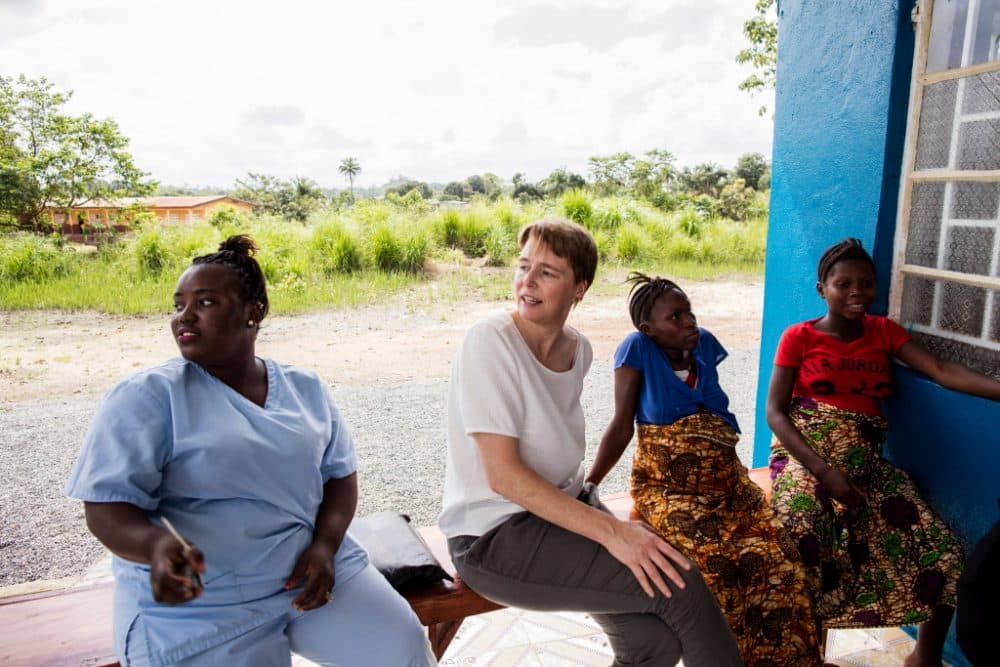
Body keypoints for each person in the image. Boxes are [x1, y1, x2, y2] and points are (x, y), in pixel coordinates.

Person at [65, 235, 434, 667]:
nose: (184, 316)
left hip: (309, 573)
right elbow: (106, 508)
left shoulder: (304, 388)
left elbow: (339, 476)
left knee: (402, 649)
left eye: (205, 303)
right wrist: (157, 546)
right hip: (205, 604)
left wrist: (325, 546)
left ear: (252, 313)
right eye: (178, 304)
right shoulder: (147, 397)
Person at [438, 219, 742, 667]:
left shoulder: (578, 351)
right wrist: (614, 532)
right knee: (680, 582)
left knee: (650, 644)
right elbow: (503, 477)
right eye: (524, 266)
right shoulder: (491, 341)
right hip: (492, 536)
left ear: (579, 288)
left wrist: (600, 511)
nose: (528, 280)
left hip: (559, 513)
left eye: (548, 271)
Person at [765, 238, 1000, 667]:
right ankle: (808, 658)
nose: (857, 292)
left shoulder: (883, 333)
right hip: (807, 460)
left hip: (866, 467)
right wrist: (823, 472)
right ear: (823, 289)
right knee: (804, 538)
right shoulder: (798, 337)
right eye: (843, 283)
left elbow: (943, 371)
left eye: (866, 284)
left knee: (941, 548)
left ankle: (923, 657)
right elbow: (775, 413)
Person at [586, 272, 824, 666]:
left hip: (727, 484)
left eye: (689, 312)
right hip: (668, 488)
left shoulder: (705, 345)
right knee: (713, 564)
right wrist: (591, 481)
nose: (689, 322)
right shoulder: (637, 350)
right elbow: (620, 424)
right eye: (674, 317)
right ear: (648, 329)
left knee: (778, 555)